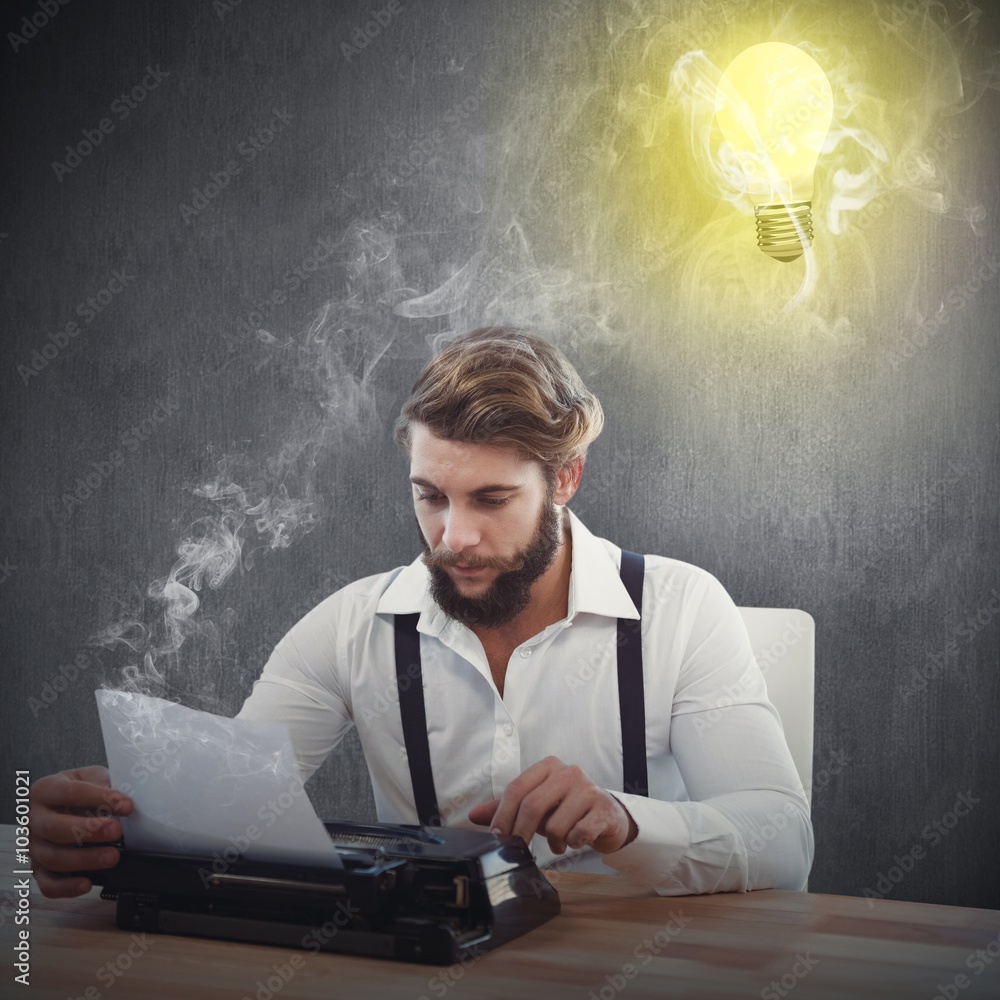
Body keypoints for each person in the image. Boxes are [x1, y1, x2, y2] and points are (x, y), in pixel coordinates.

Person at [29, 327, 813, 898]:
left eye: (492, 499)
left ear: (565, 479)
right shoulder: (348, 627)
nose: (454, 537)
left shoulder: (681, 608)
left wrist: (623, 821)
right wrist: (118, 828)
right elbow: (223, 815)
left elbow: (783, 843)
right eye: (430, 497)